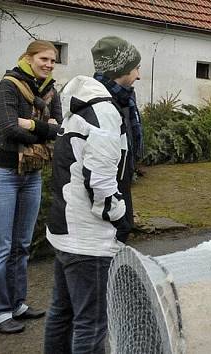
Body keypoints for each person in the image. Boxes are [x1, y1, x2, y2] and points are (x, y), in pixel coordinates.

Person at [44, 36, 139, 353]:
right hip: (88, 238)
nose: (138, 75)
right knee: (92, 323)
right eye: (135, 68)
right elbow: (99, 181)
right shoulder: (104, 113)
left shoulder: (83, 105)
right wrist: (118, 214)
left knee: (63, 313)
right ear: (120, 70)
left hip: (67, 227)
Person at [0, 40, 61, 334]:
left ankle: (17, 303)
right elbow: (7, 128)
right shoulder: (8, 86)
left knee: (21, 245)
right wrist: (45, 130)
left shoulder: (51, 89)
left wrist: (32, 126)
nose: (49, 64)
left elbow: (60, 128)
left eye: (53, 61)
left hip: (31, 173)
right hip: (2, 172)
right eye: (44, 58)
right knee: (0, 247)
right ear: (28, 58)